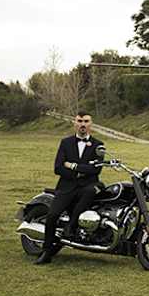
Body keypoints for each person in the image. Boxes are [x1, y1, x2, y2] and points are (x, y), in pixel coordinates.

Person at [35, 111, 104, 265]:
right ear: (75, 123)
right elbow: (58, 167)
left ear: (91, 124)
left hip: (88, 185)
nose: (82, 124)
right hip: (67, 186)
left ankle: (71, 226)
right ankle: (47, 252)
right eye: (80, 121)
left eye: (86, 121)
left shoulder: (98, 145)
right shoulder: (65, 143)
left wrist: (73, 166)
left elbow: (96, 169)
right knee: (52, 215)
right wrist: (79, 172)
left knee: (92, 190)